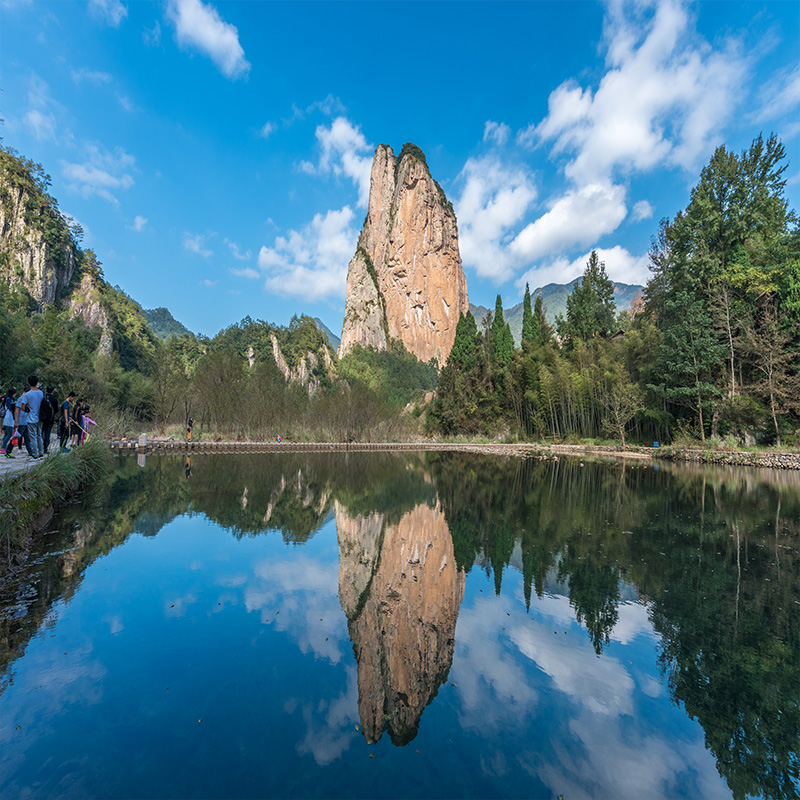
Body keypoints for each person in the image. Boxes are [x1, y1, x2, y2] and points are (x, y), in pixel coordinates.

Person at [16, 376, 45, 459]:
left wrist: (27, 409)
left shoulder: (27, 394)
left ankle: (34, 454)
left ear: (28, 383)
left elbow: (23, 407)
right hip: (40, 417)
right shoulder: (41, 393)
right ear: (37, 382)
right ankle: (41, 453)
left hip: (31, 418)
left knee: (33, 437)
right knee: (39, 435)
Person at [40, 385, 57, 453]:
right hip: (50, 419)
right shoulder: (54, 399)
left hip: (42, 418)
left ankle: (39, 447)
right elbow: (56, 409)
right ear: (52, 391)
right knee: (47, 433)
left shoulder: (42, 398)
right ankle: (45, 448)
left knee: (41, 433)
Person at [3, 388, 16, 458]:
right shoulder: (8, 399)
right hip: (9, 418)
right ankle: (3, 447)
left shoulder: (8, 399)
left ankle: (3, 447)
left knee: (7, 434)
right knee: (9, 434)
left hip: (9, 418)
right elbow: (10, 407)